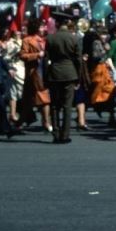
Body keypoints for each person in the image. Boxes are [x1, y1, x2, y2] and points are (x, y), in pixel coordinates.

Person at [45, 14, 82, 144]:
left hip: (54, 74)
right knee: (67, 106)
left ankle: (55, 133)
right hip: (69, 74)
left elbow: (45, 60)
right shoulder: (74, 38)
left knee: (54, 105)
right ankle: (65, 135)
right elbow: (78, 60)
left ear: (57, 24)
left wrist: (46, 76)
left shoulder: (50, 38)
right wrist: (79, 77)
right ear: (68, 23)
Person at [19, 18, 52, 132]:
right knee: (40, 98)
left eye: (44, 27)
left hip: (44, 71)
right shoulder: (27, 40)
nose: (43, 29)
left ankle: (44, 122)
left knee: (39, 98)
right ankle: (45, 123)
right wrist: (37, 55)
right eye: (41, 27)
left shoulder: (45, 40)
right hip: (34, 73)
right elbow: (23, 55)